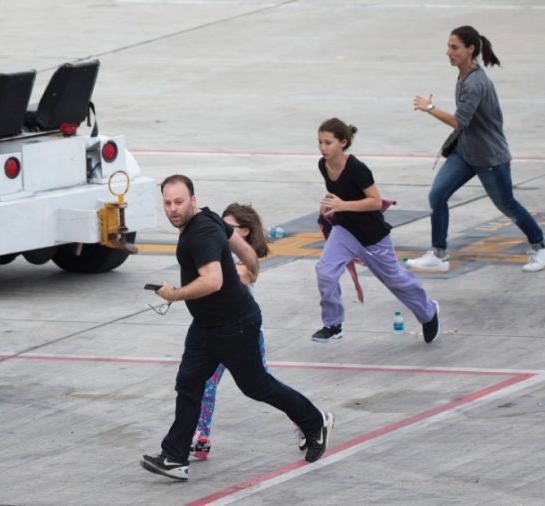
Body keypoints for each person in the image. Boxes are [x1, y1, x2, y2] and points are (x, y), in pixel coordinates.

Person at [140, 175, 334, 481]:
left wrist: (174, 294)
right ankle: (175, 457)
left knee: (257, 386)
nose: (173, 209)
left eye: (179, 202)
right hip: (207, 326)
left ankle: (315, 420)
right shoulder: (208, 216)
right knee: (189, 383)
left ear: (192, 200)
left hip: (234, 325)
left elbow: (213, 280)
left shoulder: (199, 232)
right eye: (167, 203)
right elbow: (237, 241)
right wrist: (251, 262)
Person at [407, 25, 545, 273]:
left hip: (489, 156)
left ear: (470, 49)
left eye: (454, 47)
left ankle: (543, 245)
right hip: (466, 153)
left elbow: (459, 121)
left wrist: (430, 107)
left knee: (506, 204)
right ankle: (438, 254)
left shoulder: (475, 83)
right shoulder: (463, 75)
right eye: (448, 46)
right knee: (437, 194)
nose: (448, 52)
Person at [312, 118, 440, 345]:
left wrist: (343, 205)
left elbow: (374, 201)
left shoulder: (357, 169)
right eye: (320, 142)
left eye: (328, 143)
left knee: (394, 280)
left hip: (372, 236)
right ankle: (333, 324)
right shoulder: (323, 165)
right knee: (325, 271)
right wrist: (331, 206)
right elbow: (338, 195)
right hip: (344, 230)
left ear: (343, 142)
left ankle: (429, 312)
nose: (322, 147)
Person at [191, 203, 271, 460]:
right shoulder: (218, 255)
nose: (220, 232)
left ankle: (306, 422)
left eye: (228, 228)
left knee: (264, 386)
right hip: (219, 332)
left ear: (244, 231)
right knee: (207, 383)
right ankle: (202, 436)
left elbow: (230, 279)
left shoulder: (246, 262)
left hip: (244, 335)